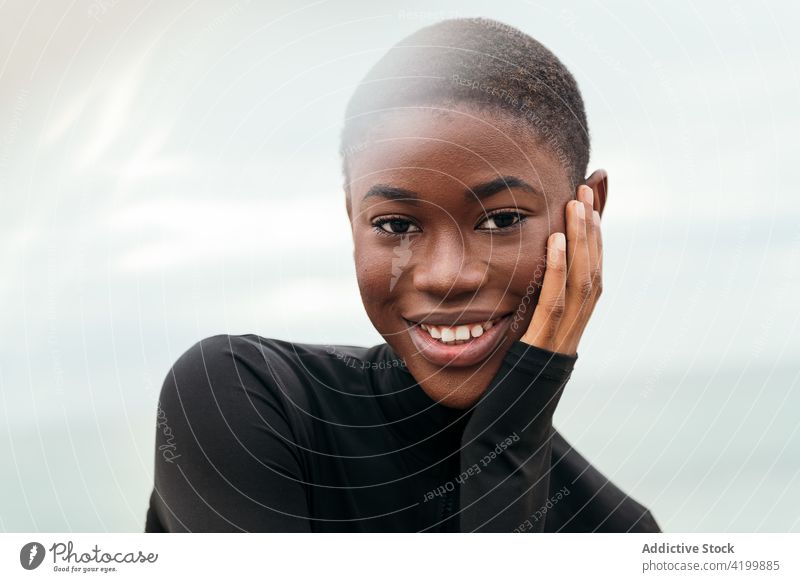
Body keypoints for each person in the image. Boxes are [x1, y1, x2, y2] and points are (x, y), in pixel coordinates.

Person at [144, 17, 660, 533]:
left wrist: (510, 431)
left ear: (588, 211)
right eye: (395, 224)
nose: (445, 276)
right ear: (352, 219)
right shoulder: (238, 400)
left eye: (502, 220)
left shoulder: (614, 532)